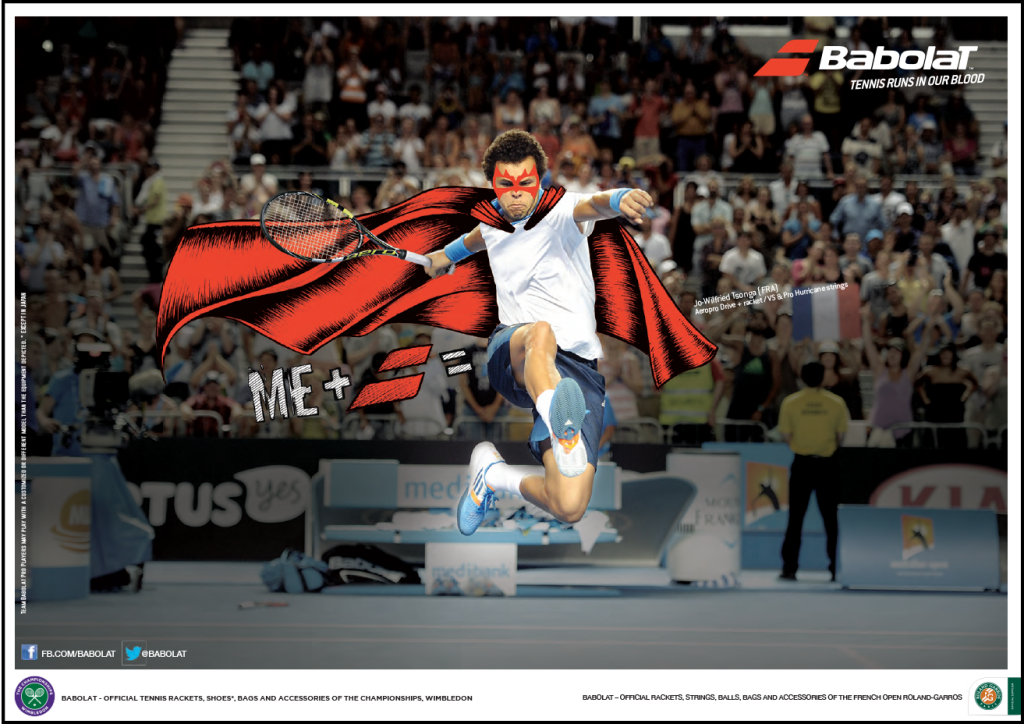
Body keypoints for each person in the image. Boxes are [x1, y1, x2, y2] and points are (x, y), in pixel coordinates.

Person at [423, 129, 654, 534]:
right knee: (540, 332)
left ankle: (493, 476)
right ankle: (562, 429)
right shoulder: (492, 223)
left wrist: (619, 198)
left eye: (525, 183)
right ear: (493, 183)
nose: (516, 193)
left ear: (539, 181)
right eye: (505, 184)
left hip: (576, 370)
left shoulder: (562, 210)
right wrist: (442, 256)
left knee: (569, 505)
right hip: (514, 350)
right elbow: (473, 241)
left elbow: (594, 204)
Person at [777, 361, 849, 582]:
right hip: (828, 465)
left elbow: (786, 435)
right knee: (831, 519)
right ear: (823, 377)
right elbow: (841, 436)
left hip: (802, 464)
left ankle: (790, 568)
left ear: (802, 377)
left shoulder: (791, 402)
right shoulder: (836, 403)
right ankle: (835, 568)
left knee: (795, 518)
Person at [862, 305, 927, 446]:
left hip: (902, 431)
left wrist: (930, 322)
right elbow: (868, 345)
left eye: (897, 351)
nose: (892, 354)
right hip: (877, 428)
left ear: (903, 355)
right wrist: (866, 322)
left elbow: (921, 350)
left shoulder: (908, 373)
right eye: (890, 351)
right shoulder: (880, 370)